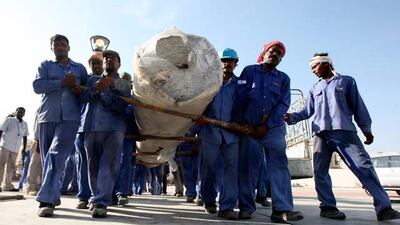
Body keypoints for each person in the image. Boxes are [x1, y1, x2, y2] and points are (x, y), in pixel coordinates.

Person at [284, 53, 400, 221]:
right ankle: (328, 206)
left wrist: (366, 129)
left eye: (315, 66)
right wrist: (291, 117)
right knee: (320, 171)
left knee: (363, 166)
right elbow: (306, 111)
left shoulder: (346, 81)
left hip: (344, 131)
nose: (313, 71)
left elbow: (358, 105)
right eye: (311, 68)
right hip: (320, 134)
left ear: (326, 64)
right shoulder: (314, 88)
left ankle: (384, 208)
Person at [233, 41, 303, 223]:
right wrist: (241, 123)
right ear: (264, 53)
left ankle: (282, 209)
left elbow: (283, 104)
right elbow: (239, 97)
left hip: (273, 130)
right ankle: (246, 208)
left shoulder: (284, 79)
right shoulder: (248, 71)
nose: (276, 55)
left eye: (280, 54)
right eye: (273, 51)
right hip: (249, 129)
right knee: (248, 168)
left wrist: (267, 125)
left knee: (279, 167)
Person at [33, 34, 88, 217]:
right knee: (47, 159)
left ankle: (46, 200)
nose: (60, 47)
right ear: (52, 48)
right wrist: (62, 83)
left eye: (63, 44)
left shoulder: (79, 69)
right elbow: (37, 86)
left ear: (68, 47)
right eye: (56, 45)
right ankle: (53, 193)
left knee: (56, 156)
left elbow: (87, 96)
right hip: (47, 116)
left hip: (70, 119)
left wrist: (78, 89)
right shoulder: (45, 66)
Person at [81, 50, 130, 218]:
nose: (109, 61)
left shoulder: (123, 84)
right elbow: (83, 97)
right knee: (92, 165)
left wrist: (105, 92)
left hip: (114, 128)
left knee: (109, 165)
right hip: (91, 127)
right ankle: (96, 197)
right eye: (107, 58)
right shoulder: (92, 80)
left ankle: (101, 202)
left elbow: (122, 106)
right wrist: (96, 89)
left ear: (119, 64)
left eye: (113, 59)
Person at [193, 48, 240, 220]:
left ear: (236, 63)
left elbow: (243, 106)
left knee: (231, 169)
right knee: (208, 168)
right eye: (224, 60)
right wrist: (198, 124)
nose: (227, 63)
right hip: (210, 132)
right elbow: (198, 105)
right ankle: (209, 200)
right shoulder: (209, 83)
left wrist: (239, 123)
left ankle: (227, 206)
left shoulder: (240, 84)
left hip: (232, 133)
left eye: (231, 61)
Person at [74, 52, 104, 209]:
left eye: (99, 63)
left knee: (98, 164)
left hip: (100, 130)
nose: (97, 66)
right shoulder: (84, 81)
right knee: (82, 163)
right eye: (93, 63)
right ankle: (83, 196)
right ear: (89, 65)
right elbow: (79, 98)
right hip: (82, 128)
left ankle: (97, 196)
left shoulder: (109, 82)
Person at [0, 107, 29, 192]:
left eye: (22, 112)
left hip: (15, 148)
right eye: (19, 112)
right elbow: (1, 130)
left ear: (24, 114)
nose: (21, 113)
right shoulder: (9, 120)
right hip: (5, 145)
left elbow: (25, 136)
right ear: (16, 112)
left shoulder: (25, 124)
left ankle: (7, 186)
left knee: (11, 168)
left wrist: (24, 147)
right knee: (1, 165)